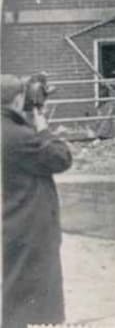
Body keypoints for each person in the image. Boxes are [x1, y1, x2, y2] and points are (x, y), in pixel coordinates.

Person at [2, 73, 73, 328]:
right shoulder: (18, 136)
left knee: (12, 286)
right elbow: (60, 158)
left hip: (8, 219)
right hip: (26, 223)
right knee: (33, 294)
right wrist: (42, 127)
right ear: (17, 99)